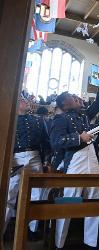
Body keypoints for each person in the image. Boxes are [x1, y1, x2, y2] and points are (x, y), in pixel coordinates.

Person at [50, 72, 99, 248]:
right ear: (64, 104)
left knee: (94, 200)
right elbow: (56, 142)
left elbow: (98, 104)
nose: (76, 98)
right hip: (75, 160)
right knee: (70, 201)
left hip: (91, 158)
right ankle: (59, 243)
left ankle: (90, 242)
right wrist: (78, 138)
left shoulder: (83, 115)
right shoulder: (60, 118)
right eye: (72, 97)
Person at [5, 93, 50, 238]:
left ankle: (32, 230)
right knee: (9, 194)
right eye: (23, 100)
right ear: (16, 103)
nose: (27, 102)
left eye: (26, 100)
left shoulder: (38, 120)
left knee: (37, 195)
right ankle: (3, 230)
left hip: (35, 156)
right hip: (15, 158)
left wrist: (46, 161)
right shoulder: (9, 119)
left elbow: (46, 142)